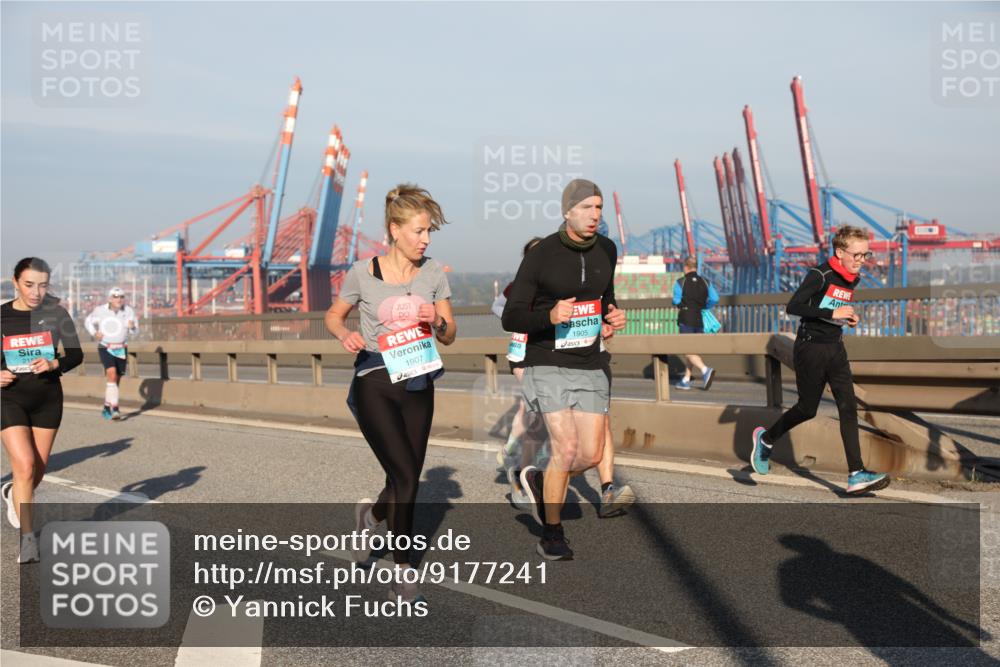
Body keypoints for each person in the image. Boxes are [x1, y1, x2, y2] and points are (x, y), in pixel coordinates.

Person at [325, 184, 455, 602]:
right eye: (419, 231)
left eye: (429, 231)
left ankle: (371, 516)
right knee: (405, 476)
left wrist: (437, 320)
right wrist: (344, 334)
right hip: (376, 380)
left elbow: (450, 334)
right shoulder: (362, 272)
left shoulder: (433, 273)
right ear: (395, 230)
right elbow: (334, 315)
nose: (426, 239)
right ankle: (403, 569)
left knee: (404, 477)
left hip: (418, 381)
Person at [502, 179, 627, 560]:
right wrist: (550, 316)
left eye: (599, 207)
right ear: (567, 211)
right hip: (547, 360)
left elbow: (606, 298)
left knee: (590, 455)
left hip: (590, 362)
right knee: (566, 447)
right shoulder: (542, 255)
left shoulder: (607, 249)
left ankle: (541, 480)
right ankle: (552, 534)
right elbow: (511, 316)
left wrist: (611, 317)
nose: (595, 215)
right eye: (587, 207)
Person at [750, 225, 889, 495]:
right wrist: (832, 314)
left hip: (835, 347)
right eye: (857, 255)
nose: (862, 260)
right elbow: (794, 306)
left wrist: (847, 317)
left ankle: (856, 474)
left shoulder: (853, 277)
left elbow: (833, 308)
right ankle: (766, 439)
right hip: (811, 348)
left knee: (848, 407)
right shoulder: (819, 274)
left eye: (866, 255)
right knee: (807, 409)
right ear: (840, 252)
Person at [1, 257, 83, 563]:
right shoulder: (1, 316)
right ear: (15, 283)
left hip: (47, 399)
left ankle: (13, 492)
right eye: (29, 284)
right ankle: (28, 540)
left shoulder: (57, 313)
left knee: (37, 470)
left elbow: (75, 355)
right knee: (24, 465)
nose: (36, 292)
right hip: (8, 398)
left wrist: (54, 363)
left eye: (43, 285)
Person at [492, 237, 545, 509]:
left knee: (532, 406)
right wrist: (517, 320)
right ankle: (515, 457)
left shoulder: (554, 285)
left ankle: (518, 458)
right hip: (521, 352)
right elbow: (496, 306)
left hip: (545, 353)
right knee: (531, 405)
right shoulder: (518, 286)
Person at [594, 325, 635, 517]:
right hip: (557, 364)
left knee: (602, 424)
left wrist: (608, 322)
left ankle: (608, 493)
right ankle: (539, 480)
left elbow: (608, 316)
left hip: (595, 360)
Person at [85, 286, 139, 420]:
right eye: (115, 297)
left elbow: (135, 331)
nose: (118, 299)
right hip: (106, 347)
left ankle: (106, 406)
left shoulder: (129, 311)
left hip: (121, 348)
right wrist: (94, 333)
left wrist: (132, 327)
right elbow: (88, 322)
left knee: (116, 380)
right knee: (112, 374)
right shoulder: (100, 310)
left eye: (121, 297)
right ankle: (115, 408)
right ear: (109, 298)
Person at [671, 256, 717, 390]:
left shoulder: (680, 282)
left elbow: (676, 300)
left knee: (687, 350)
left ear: (685, 267)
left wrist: (681, 303)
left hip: (686, 318)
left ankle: (705, 370)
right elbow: (715, 298)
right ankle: (686, 379)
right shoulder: (706, 282)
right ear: (696, 267)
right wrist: (705, 306)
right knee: (693, 349)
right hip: (699, 318)